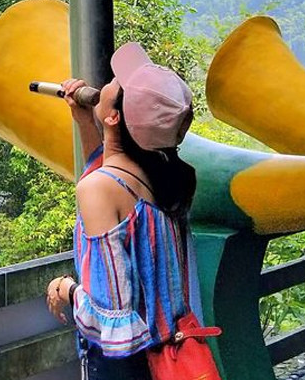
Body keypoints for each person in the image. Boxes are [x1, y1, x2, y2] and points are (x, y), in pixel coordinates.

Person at [45, 42, 198, 380]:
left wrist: (66, 288)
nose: (108, 82)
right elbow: (109, 175)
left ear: (114, 116)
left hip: (127, 369)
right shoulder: (165, 175)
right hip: (172, 353)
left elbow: (114, 321)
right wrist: (85, 120)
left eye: (117, 83)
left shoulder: (101, 189)